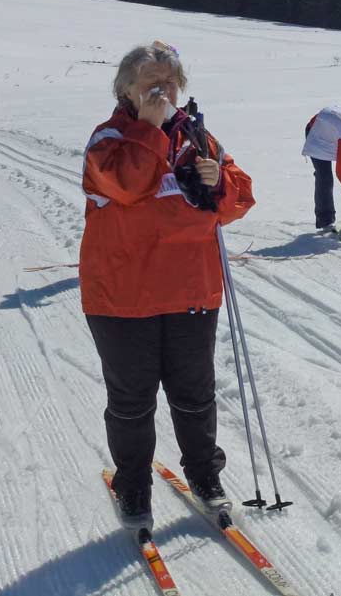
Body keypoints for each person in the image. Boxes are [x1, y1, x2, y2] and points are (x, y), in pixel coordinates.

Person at [81, 41, 256, 531]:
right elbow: (127, 185)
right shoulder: (109, 139)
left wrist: (219, 182)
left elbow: (240, 198)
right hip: (122, 295)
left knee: (195, 393)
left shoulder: (198, 137)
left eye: (170, 82)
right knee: (132, 401)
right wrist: (150, 128)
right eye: (150, 83)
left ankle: (204, 473)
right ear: (126, 89)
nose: (162, 91)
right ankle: (133, 484)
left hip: (192, 291)